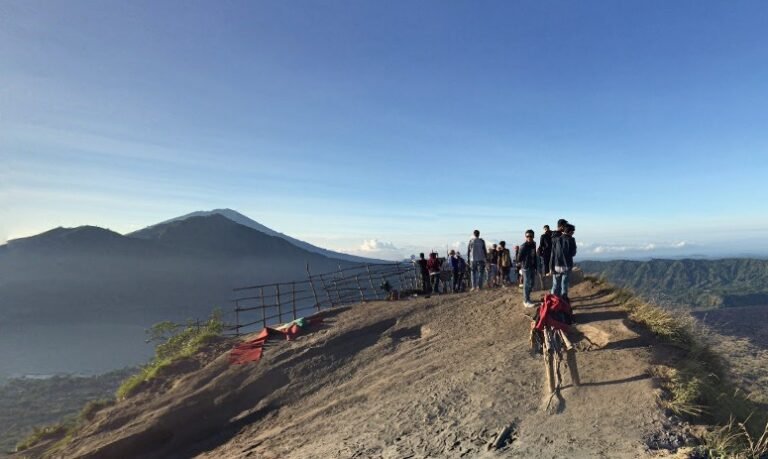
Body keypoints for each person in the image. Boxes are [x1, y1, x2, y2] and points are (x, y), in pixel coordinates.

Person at [550, 223, 577, 300]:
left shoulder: (556, 239)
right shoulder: (571, 240)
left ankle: (553, 300)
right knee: (564, 284)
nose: (573, 233)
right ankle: (563, 300)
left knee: (555, 285)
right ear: (570, 232)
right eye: (573, 231)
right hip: (567, 265)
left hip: (556, 265)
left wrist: (551, 267)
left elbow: (553, 254)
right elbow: (573, 253)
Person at [518, 229, 539, 308]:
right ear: (525, 237)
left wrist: (536, 267)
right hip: (526, 267)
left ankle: (528, 298)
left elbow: (534, 256)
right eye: (527, 236)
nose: (529, 237)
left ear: (533, 236)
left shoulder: (533, 244)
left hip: (532, 266)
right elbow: (518, 258)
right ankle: (526, 301)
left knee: (532, 283)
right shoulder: (523, 246)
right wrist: (522, 266)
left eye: (530, 236)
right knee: (526, 284)